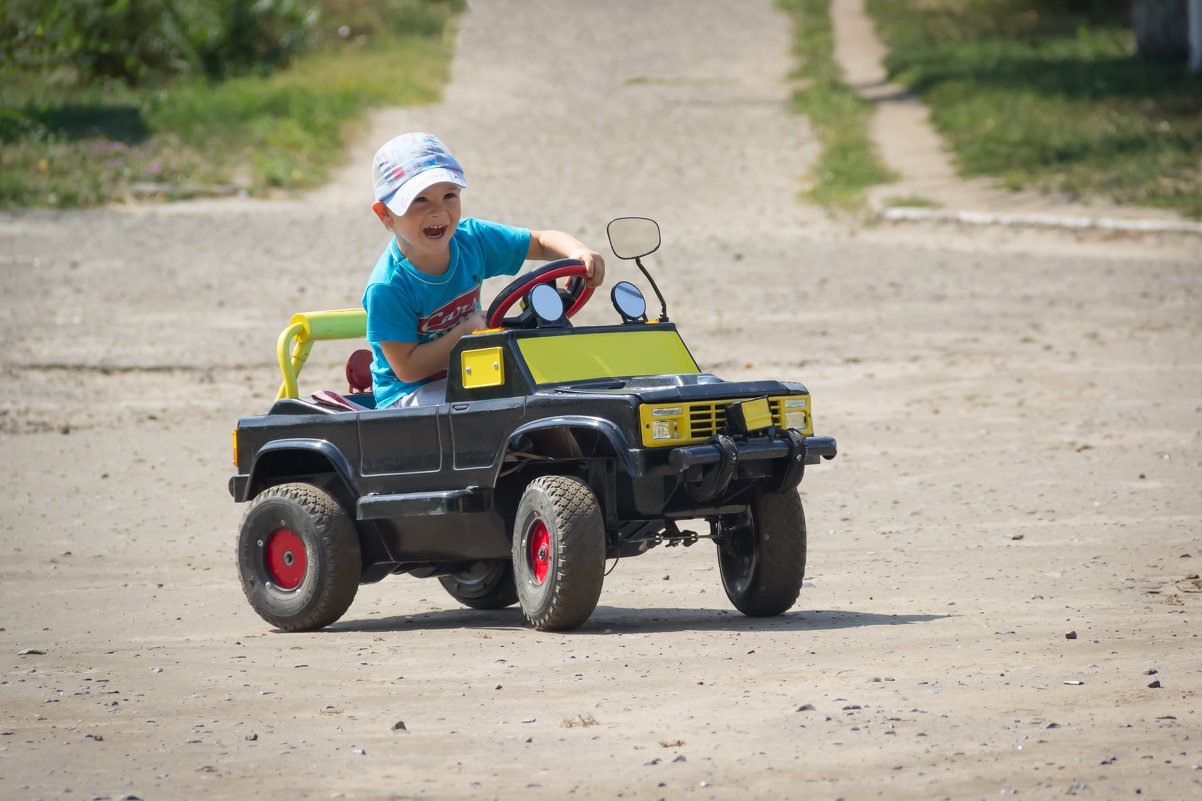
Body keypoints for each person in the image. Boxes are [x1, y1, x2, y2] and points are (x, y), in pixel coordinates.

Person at [363, 132, 605, 409]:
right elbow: (407, 368)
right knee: (499, 404)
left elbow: (539, 241)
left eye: (449, 195)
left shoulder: (472, 240)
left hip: (472, 371)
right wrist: (465, 333)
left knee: (554, 388)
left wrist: (578, 252)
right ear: (385, 214)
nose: (438, 211)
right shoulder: (389, 287)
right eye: (420, 200)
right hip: (409, 396)